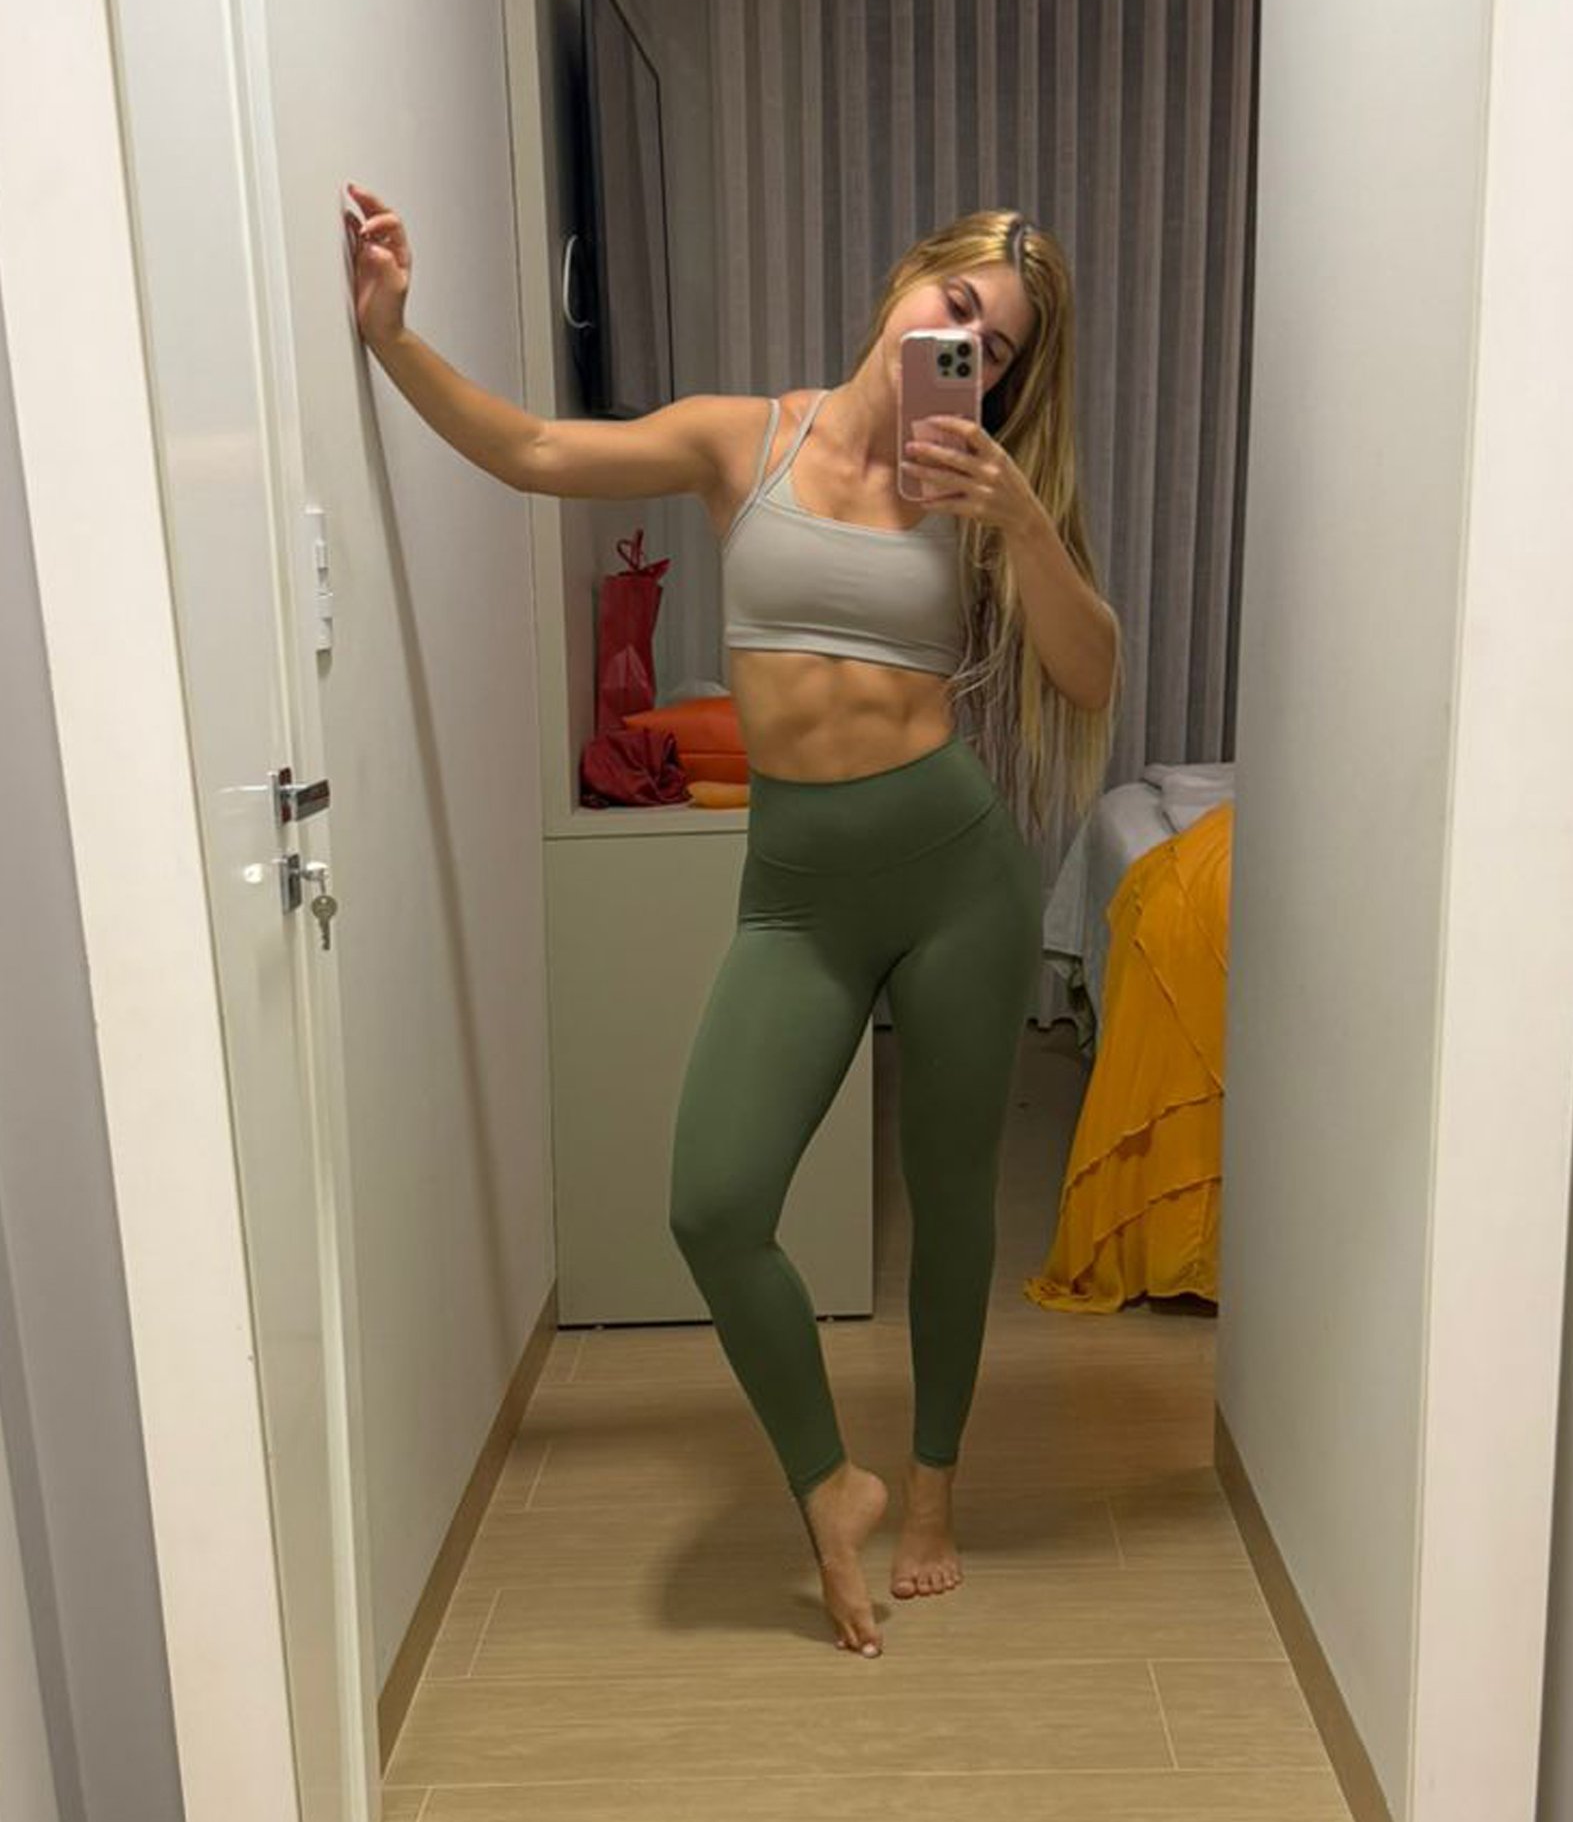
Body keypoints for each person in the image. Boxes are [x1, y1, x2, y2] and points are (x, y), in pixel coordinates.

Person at [345, 183, 1121, 1658]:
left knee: (952, 1200)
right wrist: (392, 337)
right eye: (959, 304)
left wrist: (1019, 514)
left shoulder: (979, 493)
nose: (965, 343)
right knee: (712, 1200)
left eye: (1001, 346)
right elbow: (533, 450)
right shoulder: (742, 441)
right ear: (909, 278)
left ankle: (935, 1488)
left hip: (956, 879)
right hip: (800, 894)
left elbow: (1092, 674)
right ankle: (832, 1481)